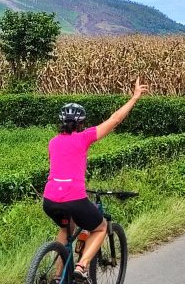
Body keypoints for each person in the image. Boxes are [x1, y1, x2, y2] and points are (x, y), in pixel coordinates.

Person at [42, 77, 148, 282]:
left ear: (61, 122)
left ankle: (57, 277)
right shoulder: (84, 137)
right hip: (74, 197)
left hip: (50, 199)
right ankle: (81, 267)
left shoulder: (53, 142)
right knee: (99, 228)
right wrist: (134, 97)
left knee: (66, 228)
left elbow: (63, 169)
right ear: (81, 123)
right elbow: (115, 119)